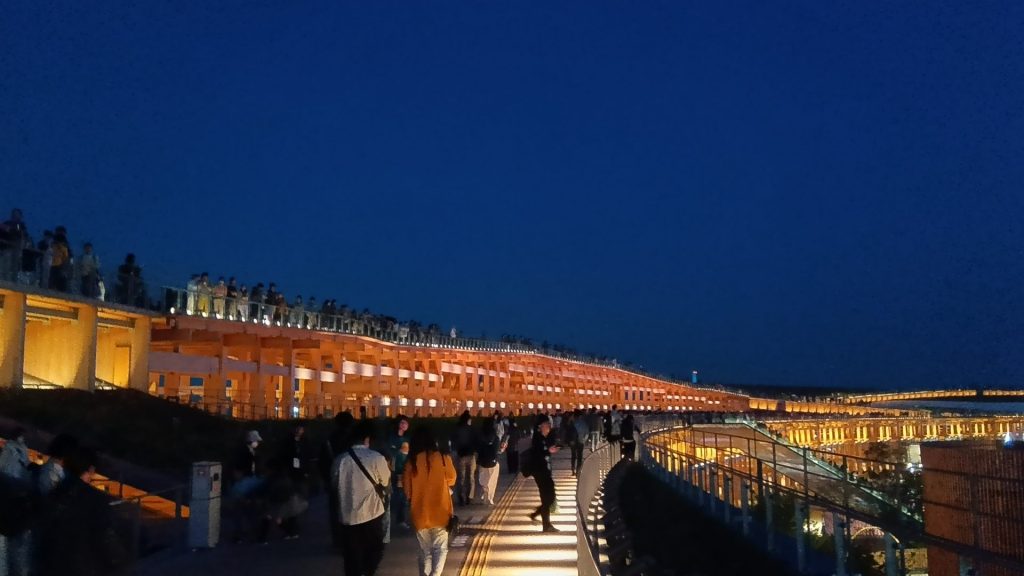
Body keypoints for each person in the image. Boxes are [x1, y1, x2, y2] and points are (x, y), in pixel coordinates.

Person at [33, 446, 129, 576]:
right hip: (80, 564)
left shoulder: (56, 492)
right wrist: (121, 562)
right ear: (91, 469)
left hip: (50, 561)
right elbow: (105, 537)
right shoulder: (96, 499)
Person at [332, 420, 390, 576]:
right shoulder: (376, 458)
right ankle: (368, 571)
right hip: (372, 512)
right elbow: (385, 481)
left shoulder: (340, 460)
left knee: (351, 554)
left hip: (347, 514)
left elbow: (334, 484)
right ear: (367, 439)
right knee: (375, 548)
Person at [402, 427, 457, 576]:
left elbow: (407, 491)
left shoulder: (411, 462)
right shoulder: (443, 458)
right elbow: (452, 478)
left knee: (425, 551)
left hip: (419, 513)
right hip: (441, 511)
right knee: (440, 548)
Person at [319, 411, 354, 552]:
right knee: (351, 509)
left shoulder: (330, 439)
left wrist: (326, 479)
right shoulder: (353, 439)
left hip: (334, 478)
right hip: (351, 479)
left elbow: (323, 461)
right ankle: (349, 540)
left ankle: (338, 540)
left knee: (335, 510)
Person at [228, 430, 265, 542]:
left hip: (249, 482)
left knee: (247, 508)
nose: (257, 443)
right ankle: (240, 533)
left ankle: (245, 532)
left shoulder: (252, 452)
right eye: (256, 441)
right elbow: (239, 468)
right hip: (244, 483)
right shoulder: (244, 452)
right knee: (241, 509)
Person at [528, 415, 561, 532]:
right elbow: (537, 454)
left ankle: (539, 517)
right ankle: (546, 524)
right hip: (540, 471)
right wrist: (548, 450)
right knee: (547, 497)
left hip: (545, 471)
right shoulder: (537, 438)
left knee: (549, 497)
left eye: (549, 424)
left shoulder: (544, 437)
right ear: (540, 426)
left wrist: (551, 449)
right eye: (546, 424)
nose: (549, 426)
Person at [475, 417, 506, 505]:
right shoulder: (495, 436)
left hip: (482, 461)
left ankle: (484, 494)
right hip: (493, 461)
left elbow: (478, 449)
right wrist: (501, 449)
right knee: (492, 480)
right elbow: (496, 450)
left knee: (483, 480)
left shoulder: (480, 436)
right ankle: (489, 497)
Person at [451, 411, 477, 506]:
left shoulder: (456, 429)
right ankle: (469, 497)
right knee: (471, 477)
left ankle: (461, 497)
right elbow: (476, 441)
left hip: (460, 456)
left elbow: (453, 442)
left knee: (461, 478)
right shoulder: (472, 429)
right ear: (468, 420)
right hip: (470, 455)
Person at [389, 416, 411, 530]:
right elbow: (390, 453)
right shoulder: (392, 438)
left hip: (404, 470)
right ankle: (398, 519)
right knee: (398, 495)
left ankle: (400, 519)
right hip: (395, 470)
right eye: (402, 422)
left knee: (402, 495)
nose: (404, 425)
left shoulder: (407, 439)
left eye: (406, 423)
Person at [570, 409, 589, 476]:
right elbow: (587, 432)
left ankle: (573, 469)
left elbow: (568, 432)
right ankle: (578, 470)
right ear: (580, 416)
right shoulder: (583, 423)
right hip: (581, 441)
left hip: (573, 441)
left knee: (573, 455)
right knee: (580, 456)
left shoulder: (572, 422)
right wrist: (584, 440)